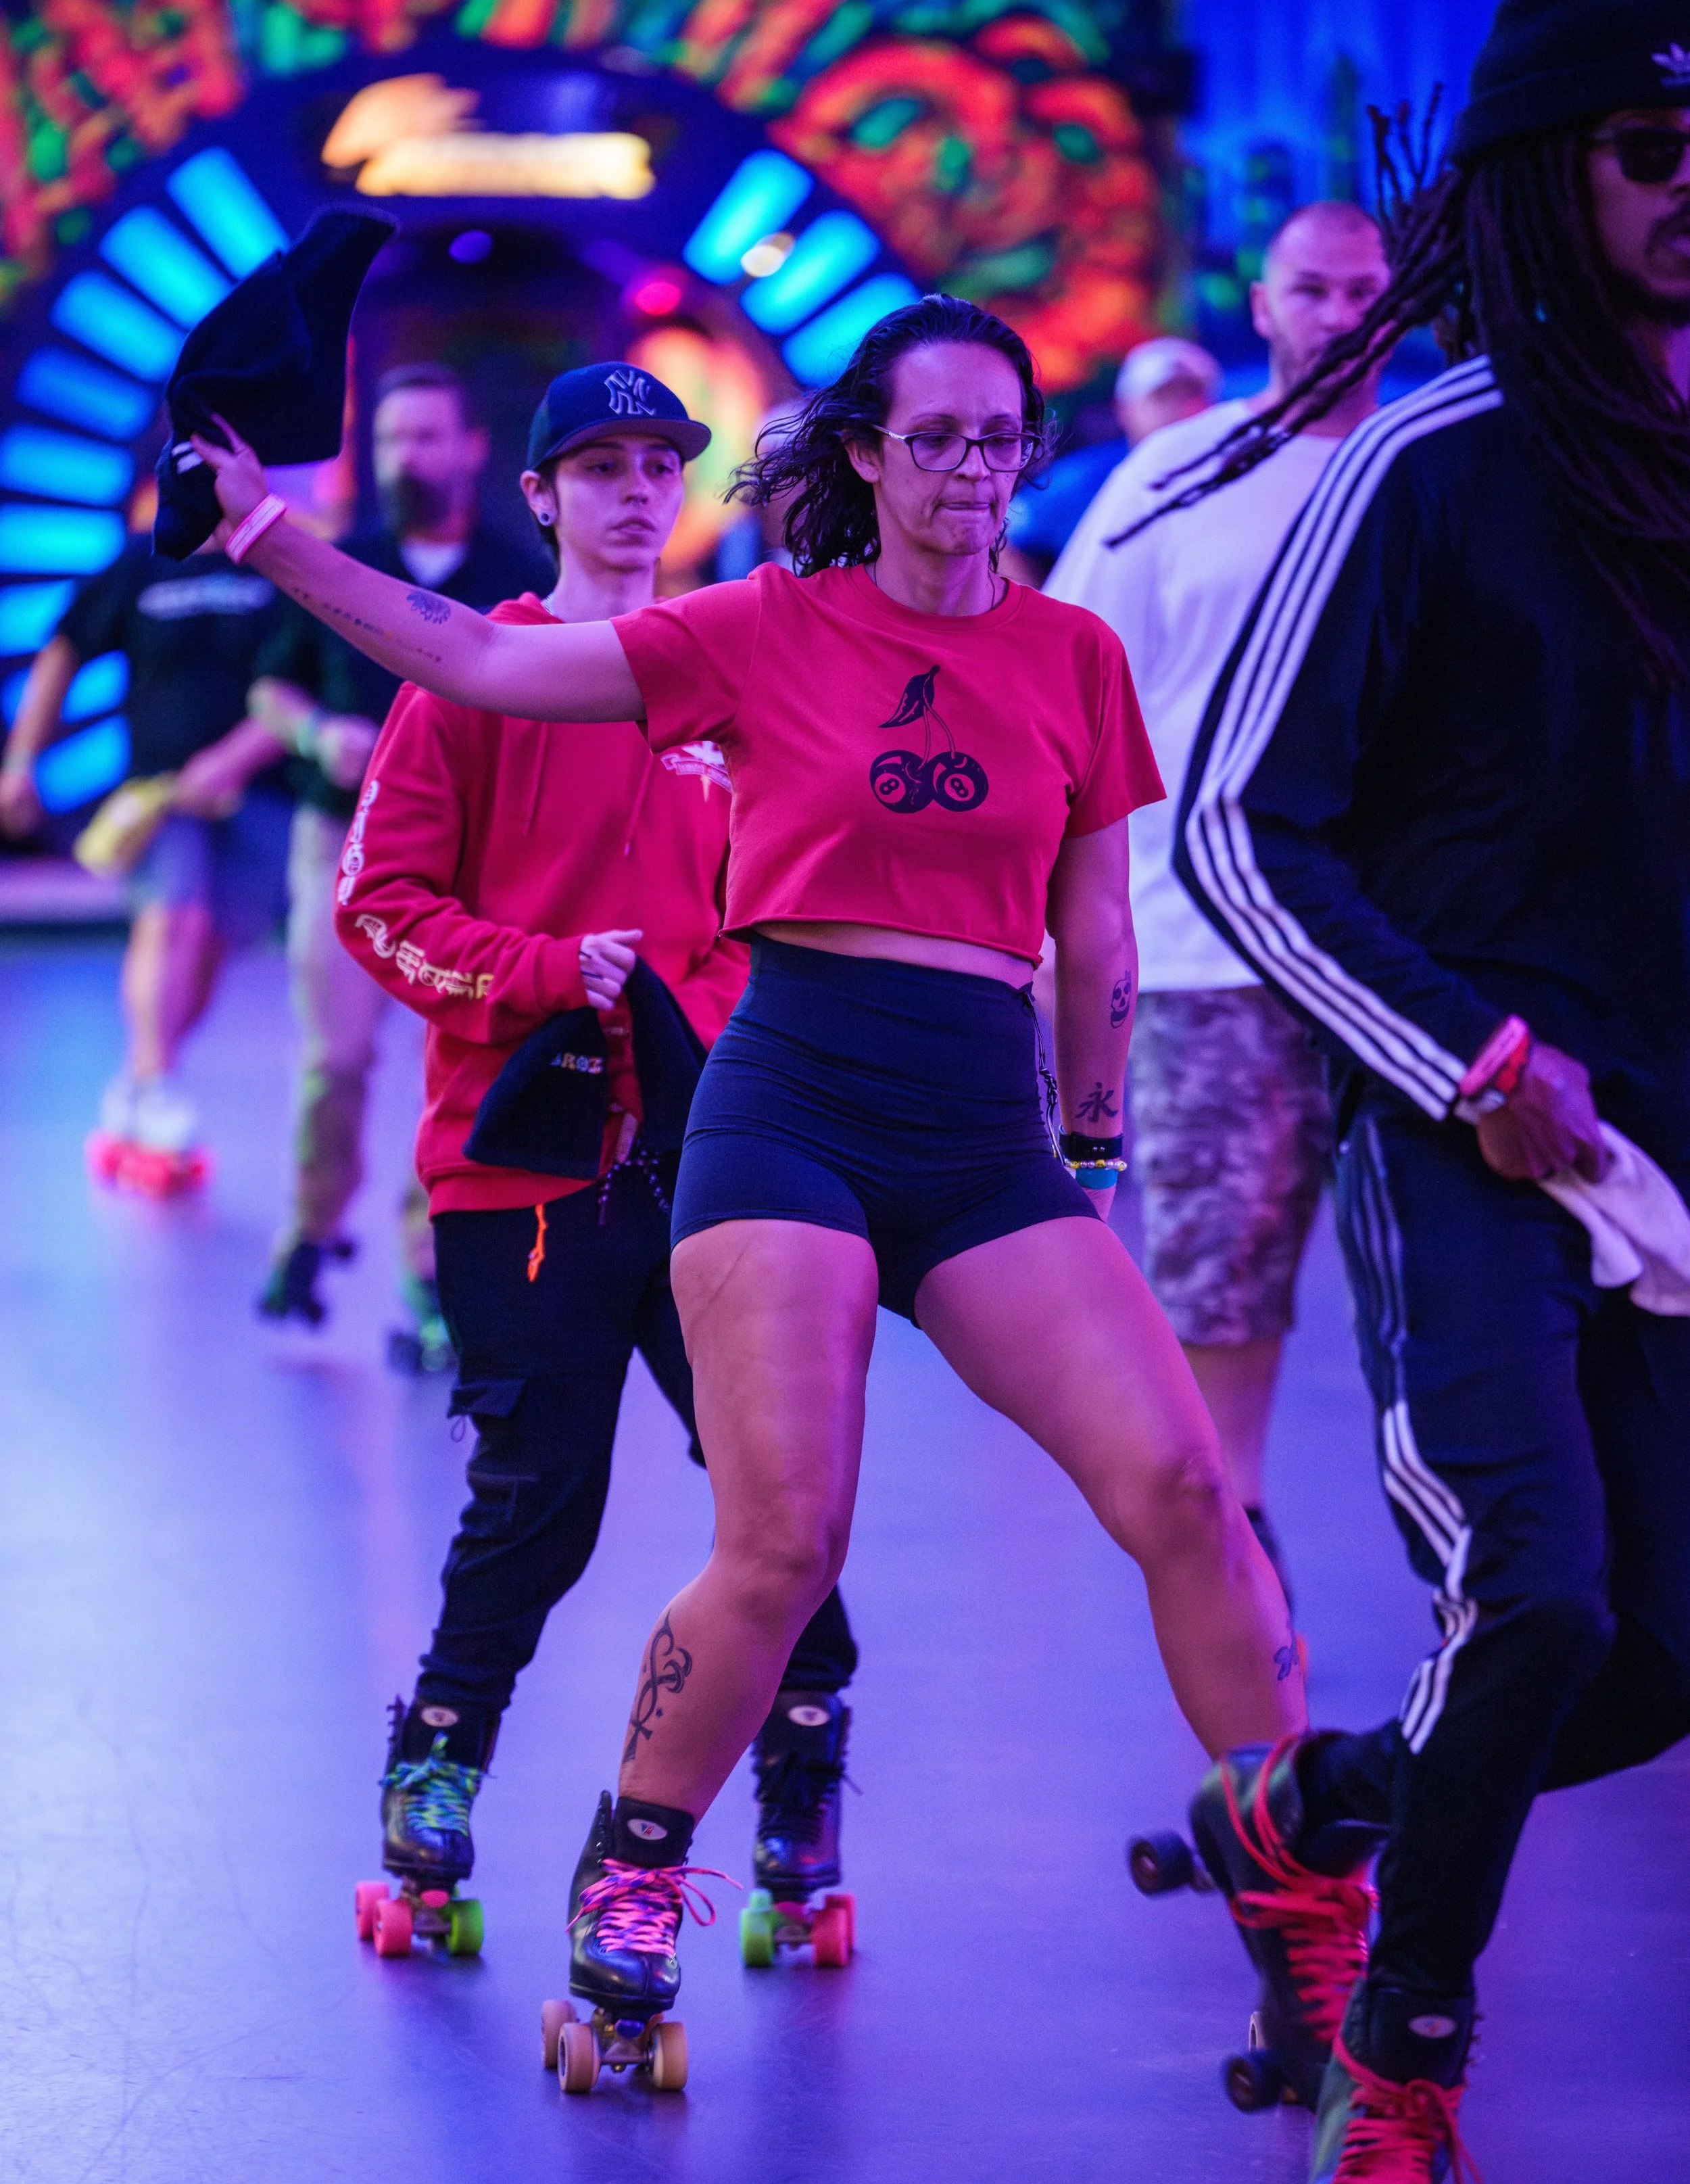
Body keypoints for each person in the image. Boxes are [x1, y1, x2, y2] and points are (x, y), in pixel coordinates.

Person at [187, 291, 1307, 2085]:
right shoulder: (757, 627)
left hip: (981, 1125)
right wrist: (267, 530)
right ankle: (631, 1874)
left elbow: (1094, 926)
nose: (966, 470)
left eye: (995, 436)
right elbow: (470, 662)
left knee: (1183, 1484)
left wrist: (1093, 1146)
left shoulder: (1073, 655)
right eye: (927, 435)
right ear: (865, 455)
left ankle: (1304, 1916)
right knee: (780, 1535)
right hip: (782, 1099)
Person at [1149, 0, 1690, 2184]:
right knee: (1541, 1590)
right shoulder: (1431, 465)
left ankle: (1309, 1813)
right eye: (1654, 143)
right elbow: (1237, 826)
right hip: (1471, 1139)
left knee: (1654, 1666)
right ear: (1547, 171)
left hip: (1668, 1168)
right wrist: (1468, 1061)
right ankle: (1396, 2068)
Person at [334, 361, 858, 1952]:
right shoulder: (471, 678)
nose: (637, 488)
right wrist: (549, 969)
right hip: (526, 1166)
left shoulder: (746, 670)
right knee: (539, 1492)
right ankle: (437, 1763)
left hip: (733, 1160)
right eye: (601, 463)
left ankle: (800, 1788)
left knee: (784, 1501)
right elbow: (378, 902)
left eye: (661, 460)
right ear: (542, 494)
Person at [1046, 204, 1391, 1603]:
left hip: (1396, 962)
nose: (1336, 315)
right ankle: (1241, 1587)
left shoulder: (1423, 470)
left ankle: (1474, 1613)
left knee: (1436, 1300)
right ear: (1261, 302)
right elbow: (1069, 688)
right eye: (1308, 289)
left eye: (1364, 292)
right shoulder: (1172, 475)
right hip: (1200, 954)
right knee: (1217, 1299)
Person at [247, 363, 537, 1360]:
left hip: (472, 854)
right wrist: (318, 728)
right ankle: (315, 1223)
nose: (403, 455)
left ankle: (430, 1272)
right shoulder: (346, 561)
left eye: (423, 436)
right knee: (335, 1060)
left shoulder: (516, 569)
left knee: (448, 1066)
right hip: (342, 842)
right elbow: (269, 691)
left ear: (470, 449)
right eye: (387, 439)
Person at [0, 536, 289, 1180]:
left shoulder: (280, 561)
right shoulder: (142, 563)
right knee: (173, 918)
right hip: (157, 796)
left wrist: (230, 762)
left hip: (261, 793)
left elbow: (302, 680)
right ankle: (156, 1085)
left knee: (211, 946)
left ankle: (135, 1085)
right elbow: (64, 650)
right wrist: (21, 762)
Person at [1003, 337, 1222, 581]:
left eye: (1192, 395)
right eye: (1163, 397)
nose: (1180, 409)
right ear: (1124, 409)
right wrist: (1041, 607)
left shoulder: (1232, 471)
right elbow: (1002, 535)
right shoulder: (1085, 479)